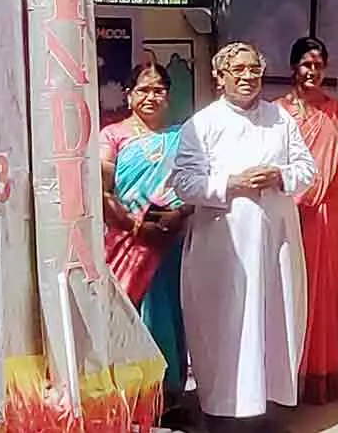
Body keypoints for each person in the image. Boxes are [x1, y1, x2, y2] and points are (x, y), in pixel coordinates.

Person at [169, 42, 317, 431]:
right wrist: (231, 183)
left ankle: (266, 411)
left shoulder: (280, 119)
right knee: (227, 326)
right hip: (224, 248)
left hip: (275, 244)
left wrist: (280, 175)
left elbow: (307, 169)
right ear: (220, 77)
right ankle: (221, 414)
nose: (248, 77)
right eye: (238, 70)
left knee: (273, 322)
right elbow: (184, 182)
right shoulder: (202, 124)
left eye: (254, 69)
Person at [101, 62, 196, 421]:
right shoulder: (111, 136)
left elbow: (194, 184)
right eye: (143, 89)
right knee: (129, 315)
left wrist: (180, 214)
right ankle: (129, 399)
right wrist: (135, 227)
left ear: (168, 96)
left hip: (170, 242)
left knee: (168, 315)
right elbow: (103, 191)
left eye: (158, 90)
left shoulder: (182, 137)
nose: (151, 96)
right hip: (126, 243)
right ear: (129, 95)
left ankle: (169, 397)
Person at [276, 36, 338, 404]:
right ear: (293, 66)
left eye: (318, 66)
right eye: (306, 64)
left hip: (330, 215)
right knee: (290, 290)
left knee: (328, 294)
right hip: (289, 215)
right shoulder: (276, 113)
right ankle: (287, 375)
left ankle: (326, 372)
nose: (312, 71)